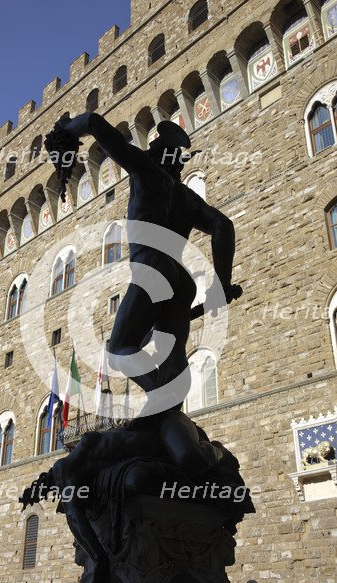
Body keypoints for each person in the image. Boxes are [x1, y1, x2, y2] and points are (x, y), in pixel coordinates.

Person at [48, 113, 242, 414]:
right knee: (172, 354)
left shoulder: (146, 171)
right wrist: (222, 283)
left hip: (153, 267)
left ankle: (160, 402)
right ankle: (171, 417)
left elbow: (96, 124)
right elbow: (223, 226)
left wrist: (65, 128)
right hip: (181, 280)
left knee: (118, 350)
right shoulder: (188, 198)